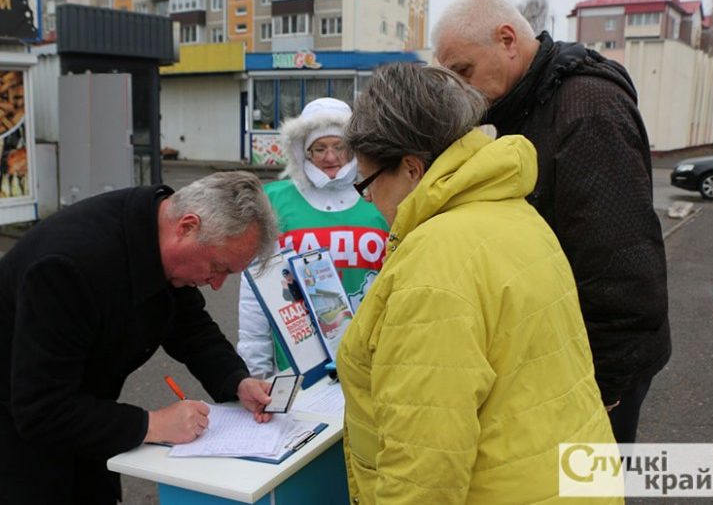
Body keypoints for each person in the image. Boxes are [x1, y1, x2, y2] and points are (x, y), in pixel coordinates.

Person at [337, 62, 621, 504]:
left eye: (368, 183)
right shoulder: (515, 212)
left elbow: (425, 467)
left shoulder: (434, 260)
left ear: (412, 169)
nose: (369, 199)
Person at [432, 0, 670, 443]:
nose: (461, 89)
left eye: (463, 71)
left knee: (592, 483)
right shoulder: (528, 105)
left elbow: (622, 266)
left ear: (507, 40)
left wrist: (603, 389)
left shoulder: (586, 110)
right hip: (568, 355)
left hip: (599, 370)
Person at [0, 171, 278, 505]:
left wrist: (236, 381)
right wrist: (152, 424)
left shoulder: (162, 233)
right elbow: (40, 408)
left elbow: (190, 327)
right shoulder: (67, 267)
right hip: (17, 426)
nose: (217, 284)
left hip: (83, 409)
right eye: (217, 267)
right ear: (187, 227)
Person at [238, 97, 388, 377]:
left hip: (370, 364)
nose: (330, 158)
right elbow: (255, 292)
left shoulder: (382, 196)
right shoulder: (274, 200)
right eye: (319, 148)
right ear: (303, 152)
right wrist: (255, 372)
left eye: (339, 147)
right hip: (296, 368)